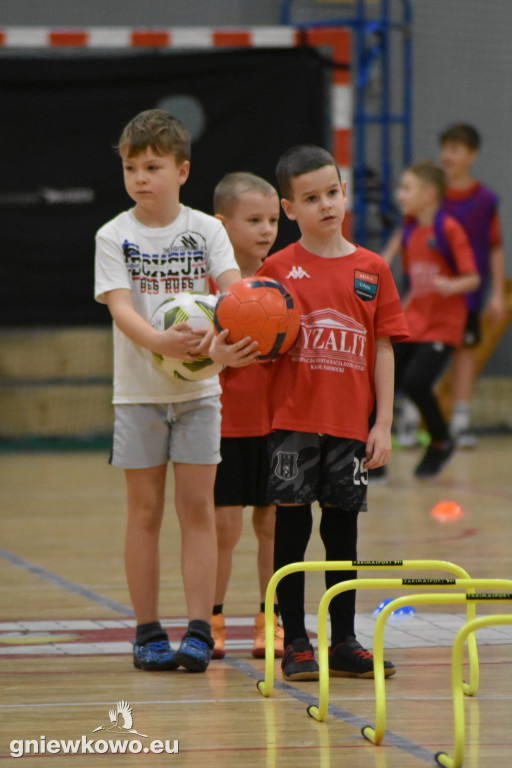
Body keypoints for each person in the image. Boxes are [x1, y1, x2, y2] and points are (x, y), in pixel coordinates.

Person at [94, 109, 259, 674]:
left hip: (199, 395)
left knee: (198, 510)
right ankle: (145, 631)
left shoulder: (207, 230)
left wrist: (223, 344)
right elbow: (121, 311)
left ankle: (196, 630)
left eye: (153, 166)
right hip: (137, 395)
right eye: (131, 167)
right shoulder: (113, 235)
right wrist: (163, 343)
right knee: (143, 512)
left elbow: (237, 297)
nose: (141, 177)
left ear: (182, 171)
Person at [256, 144, 409, 681]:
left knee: (342, 536)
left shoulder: (372, 268)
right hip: (292, 425)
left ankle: (343, 640)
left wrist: (383, 421)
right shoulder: (274, 269)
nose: (325, 204)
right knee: (292, 534)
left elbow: (384, 348)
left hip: (350, 428)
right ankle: (295, 640)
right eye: (310, 197)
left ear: (344, 193)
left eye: (332, 192)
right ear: (289, 208)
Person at [208, 172, 285, 659]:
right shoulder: (202, 288)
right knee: (223, 529)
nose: (266, 229)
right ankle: (210, 618)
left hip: (276, 425)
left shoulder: (284, 281)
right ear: (222, 224)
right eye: (254, 219)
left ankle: (269, 619)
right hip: (221, 426)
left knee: (272, 525)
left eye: (273, 220)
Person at [393, 161, 480, 478]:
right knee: (385, 375)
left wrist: (450, 285)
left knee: (417, 382)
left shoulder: (449, 230)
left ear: (429, 194)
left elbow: (472, 278)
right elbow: (415, 284)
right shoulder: (410, 231)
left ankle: (441, 440)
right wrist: (399, 315)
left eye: (406, 188)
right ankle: (370, 455)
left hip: (442, 327)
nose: (399, 195)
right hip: (414, 322)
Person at [439, 124, 506, 447]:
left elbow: (494, 246)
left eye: (454, 149)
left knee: (465, 351)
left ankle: (460, 421)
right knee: (421, 351)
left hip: (467, 292)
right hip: (433, 291)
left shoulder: (485, 199)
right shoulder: (431, 194)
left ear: (471, 155)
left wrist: (496, 294)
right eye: (445, 148)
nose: (446, 156)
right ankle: (410, 416)